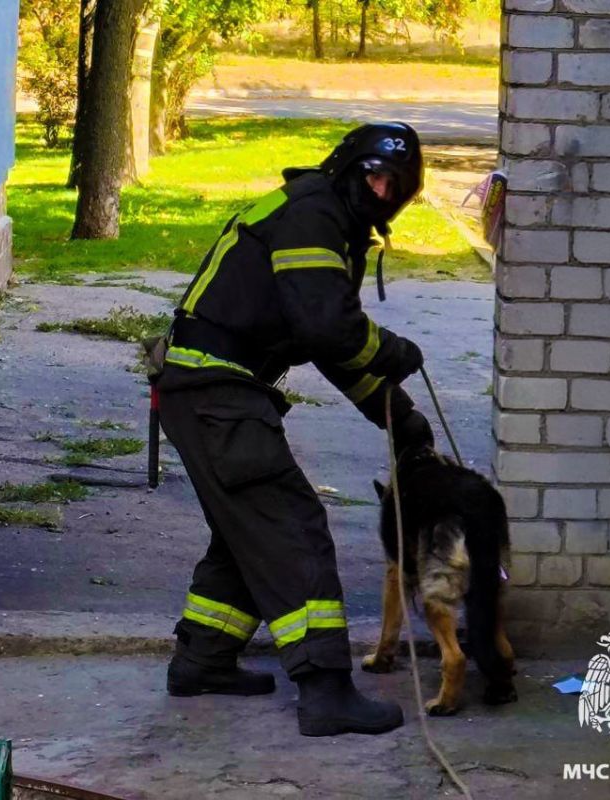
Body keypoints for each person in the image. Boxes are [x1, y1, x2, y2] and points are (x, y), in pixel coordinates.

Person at [157, 121, 434, 737]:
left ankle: (203, 660)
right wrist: (392, 351)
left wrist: (396, 413)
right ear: (349, 167)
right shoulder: (315, 216)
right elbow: (329, 329)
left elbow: (329, 345)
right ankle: (326, 689)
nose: (382, 192)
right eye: (376, 177)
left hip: (210, 387)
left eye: (396, 188)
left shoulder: (329, 219)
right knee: (292, 527)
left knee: (249, 531)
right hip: (215, 391)